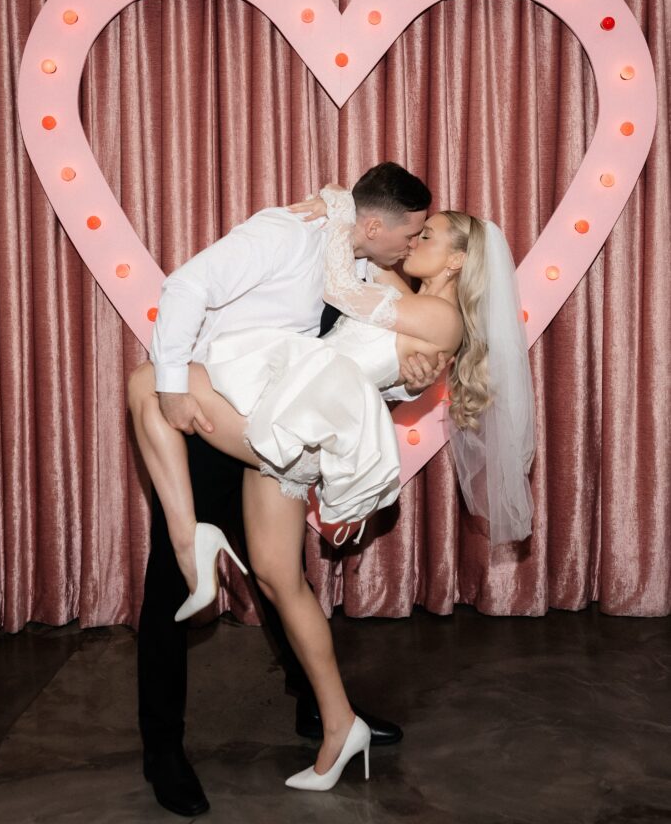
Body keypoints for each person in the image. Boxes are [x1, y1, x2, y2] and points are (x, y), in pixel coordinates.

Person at [129, 172, 536, 801]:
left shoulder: (390, 281)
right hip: (236, 404)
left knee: (275, 569)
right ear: (380, 227)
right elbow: (195, 287)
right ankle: (186, 745)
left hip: (285, 421)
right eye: (413, 229)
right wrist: (334, 208)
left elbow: (366, 340)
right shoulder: (297, 236)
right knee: (237, 578)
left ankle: (316, 704)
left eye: (428, 234)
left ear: (456, 259)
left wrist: (414, 375)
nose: (414, 240)